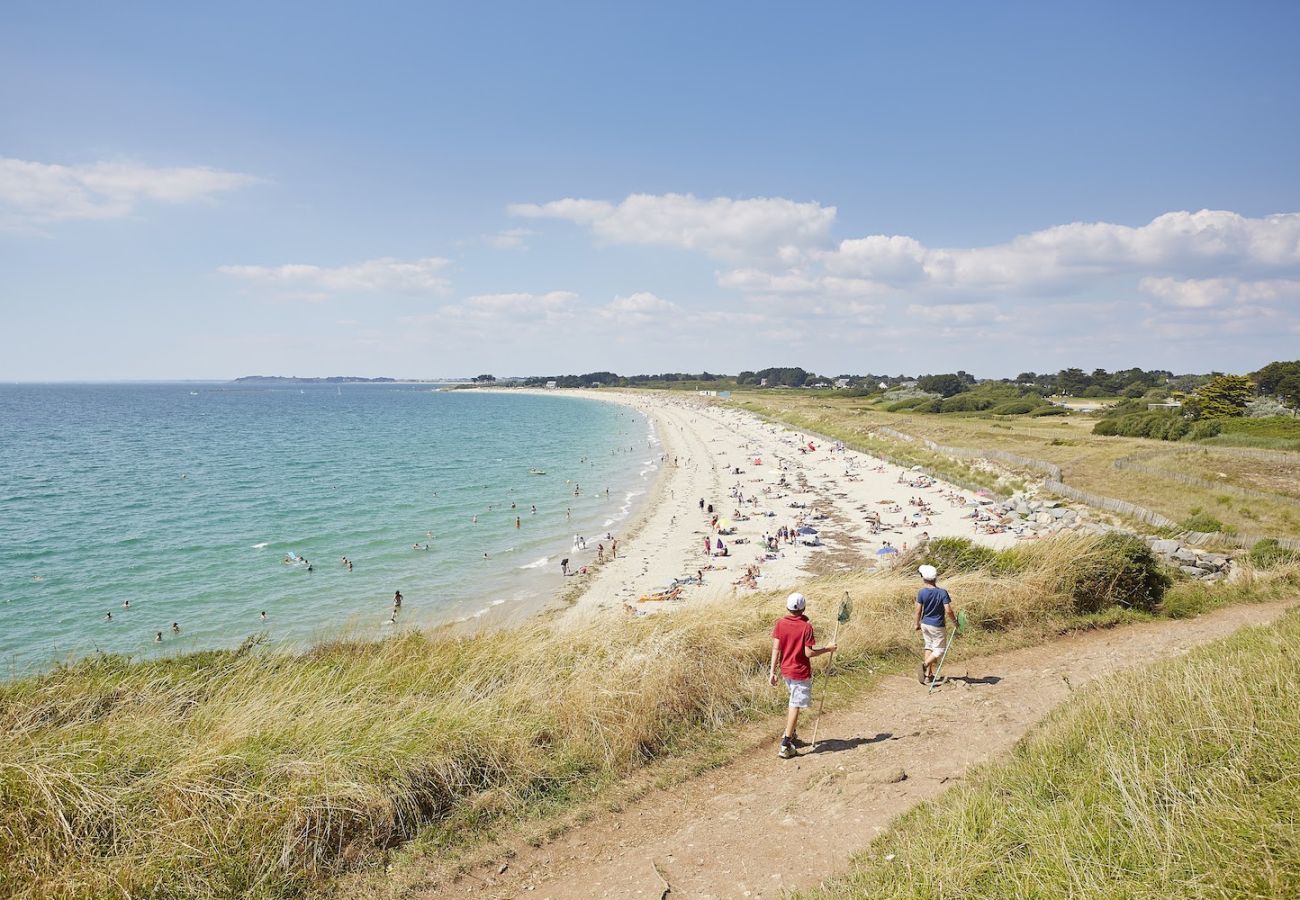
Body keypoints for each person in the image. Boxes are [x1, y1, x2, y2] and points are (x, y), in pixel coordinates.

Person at [769, 592, 836, 759]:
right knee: (795, 705)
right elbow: (809, 653)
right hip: (799, 672)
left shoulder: (780, 623)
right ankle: (785, 744)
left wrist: (772, 672)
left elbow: (776, 649)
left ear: (787, 608)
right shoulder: (807, 627)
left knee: (793, 700)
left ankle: (792, 735)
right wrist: (828, 649)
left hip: (785, 670)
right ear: (804, 608)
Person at [914, 564, 958, 684]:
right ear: (935, 578)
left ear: (923, 578)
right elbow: (948, 610)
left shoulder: (921, 592)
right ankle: (925, 665)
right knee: (939, 649)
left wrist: (916, 624)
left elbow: (918, 610)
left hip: (925, 624)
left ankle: (928, 676)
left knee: (929, 646)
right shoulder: (942, 592)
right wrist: (955, 622)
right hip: (937, 625)